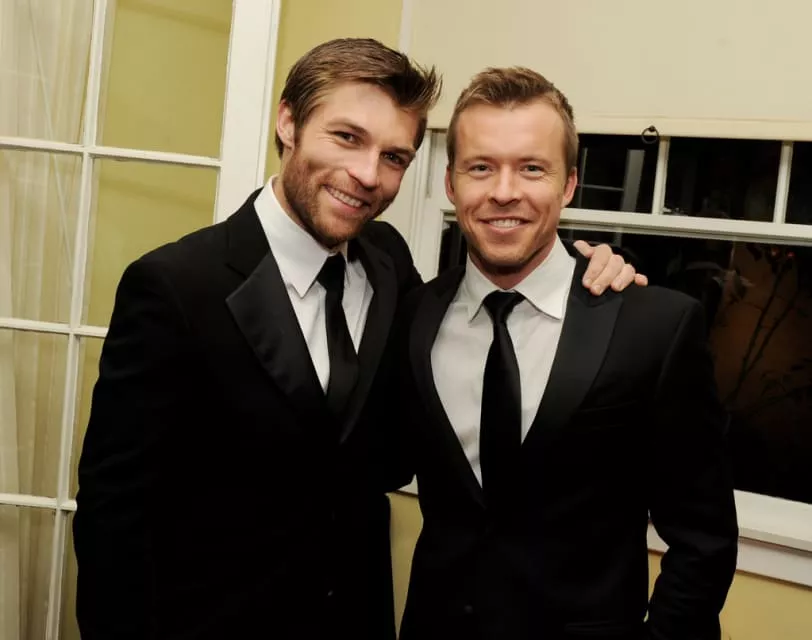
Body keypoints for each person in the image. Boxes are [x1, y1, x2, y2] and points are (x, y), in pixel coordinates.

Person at [73, 40, 644, 640]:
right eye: (347, 137)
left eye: (394, 156)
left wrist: (582, 272)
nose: (369, 176)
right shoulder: (175, 287)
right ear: (288, 122)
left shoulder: (388, 263)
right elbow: (114, 514)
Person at [390, 67, 739, 640]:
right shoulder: (414, 316)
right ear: (450, 184)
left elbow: (704, 540)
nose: (505, 191)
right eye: (481, 167)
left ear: (569, 184)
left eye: (532, 168)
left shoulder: (653, 327)